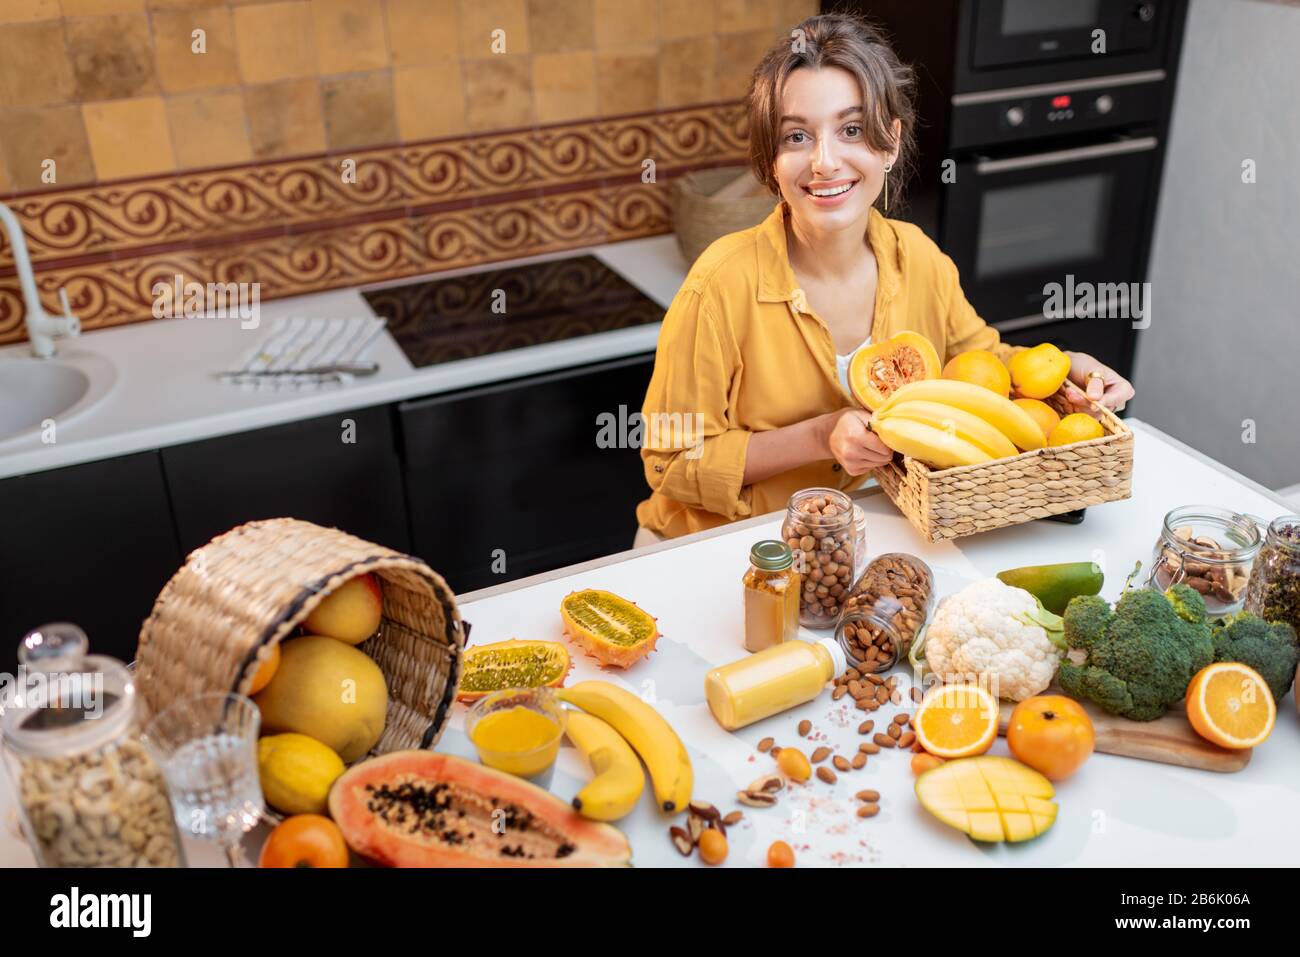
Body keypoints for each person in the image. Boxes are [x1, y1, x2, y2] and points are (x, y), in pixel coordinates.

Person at [633, 12, 1135, 548]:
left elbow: (982, 366)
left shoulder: (920, 258)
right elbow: (670, 460)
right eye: (797, 136)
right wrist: (820, 436)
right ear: (770, 161)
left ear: (889, 143)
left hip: (862, 539)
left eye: (851, 130)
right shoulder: (719, 285)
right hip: (717, 551)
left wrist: (1063, 374)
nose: (825, 162)